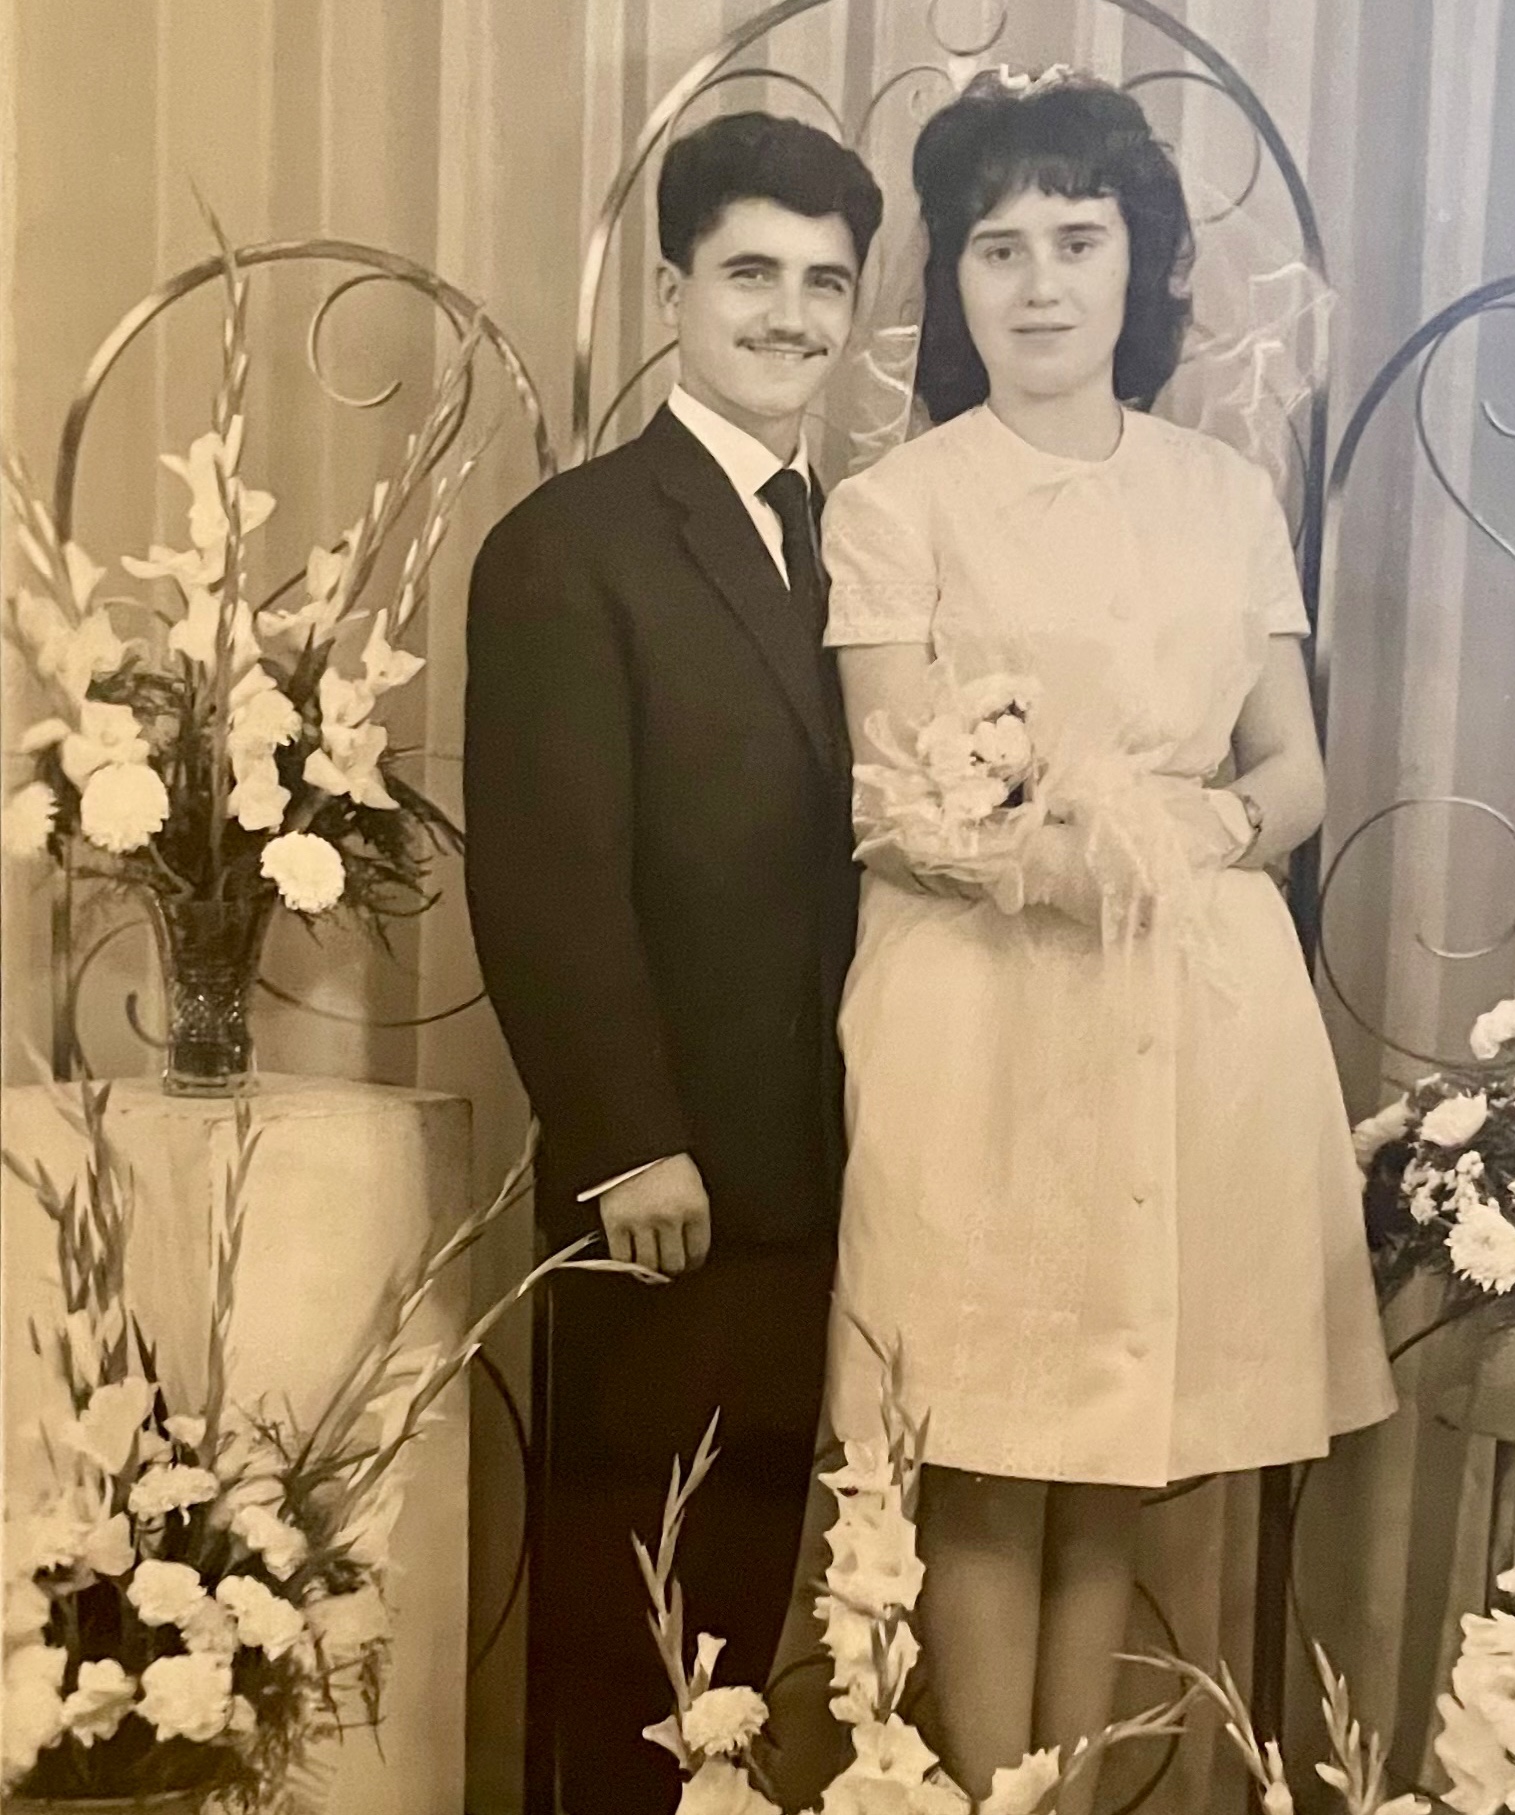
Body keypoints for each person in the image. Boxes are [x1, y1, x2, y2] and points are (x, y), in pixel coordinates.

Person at [817, 71, 1396, 1810]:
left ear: (1139, 264)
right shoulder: (897, 503)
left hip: (1193, 998)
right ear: (955, 279)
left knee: (1125, 1457)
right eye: (998, 248)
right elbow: (893, 788)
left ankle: (1061, 1803)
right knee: (989, 1445)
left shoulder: (1224, 493)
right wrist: (1051, 850)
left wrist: (1184, 837)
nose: (1041, 283)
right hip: (983, 1002)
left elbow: (1293, 769)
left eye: (1079, 240)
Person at [463, 111, 882, 1813]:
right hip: (670, 1190)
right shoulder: (570, 543)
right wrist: (631, 1139)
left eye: (825, 283)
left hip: (824, 1179)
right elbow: (546, 881)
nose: (789, 316)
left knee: (741, 1623)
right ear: (672, 293)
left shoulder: (861, 543)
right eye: (750, 274)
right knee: (634, 1627)